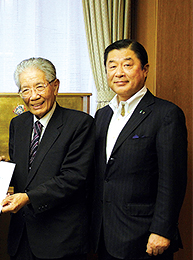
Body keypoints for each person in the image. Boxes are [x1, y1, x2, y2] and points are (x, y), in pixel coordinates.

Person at [90, 39, 187, 260]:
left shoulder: (165, 114)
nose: (119, 73)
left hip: (144, 236)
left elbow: (172, 179)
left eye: (127, 64)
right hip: (105, 233)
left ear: (144, 70)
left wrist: (162, 229)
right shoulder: (102, 115)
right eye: (112, 66)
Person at [1, 57, 95, 260]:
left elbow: (73, 178)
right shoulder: (18, 124)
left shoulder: (80, 124)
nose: (33, 96)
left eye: (39, 87)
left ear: (55, 86)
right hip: (22, 238)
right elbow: (24, 172)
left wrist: (28, 198)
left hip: (61, 240)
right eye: (25, 90)